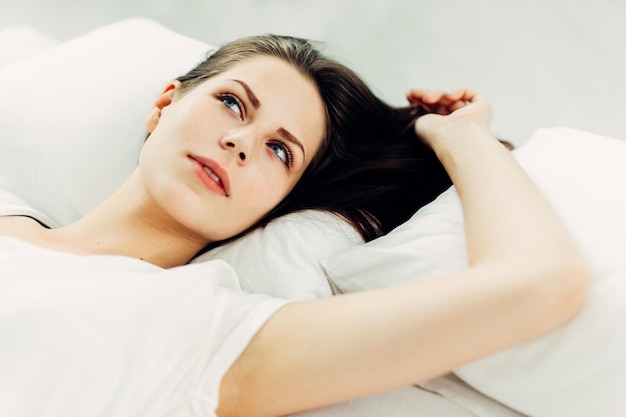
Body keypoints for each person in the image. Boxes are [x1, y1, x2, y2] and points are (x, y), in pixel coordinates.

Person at [0, 34, 589, 417]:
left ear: (277, 204)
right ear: (164, 104)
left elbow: (537, 284)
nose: (240, 142)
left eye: (281, 152)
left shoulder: (202, 331)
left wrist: (463, 136)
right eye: (233, 103)